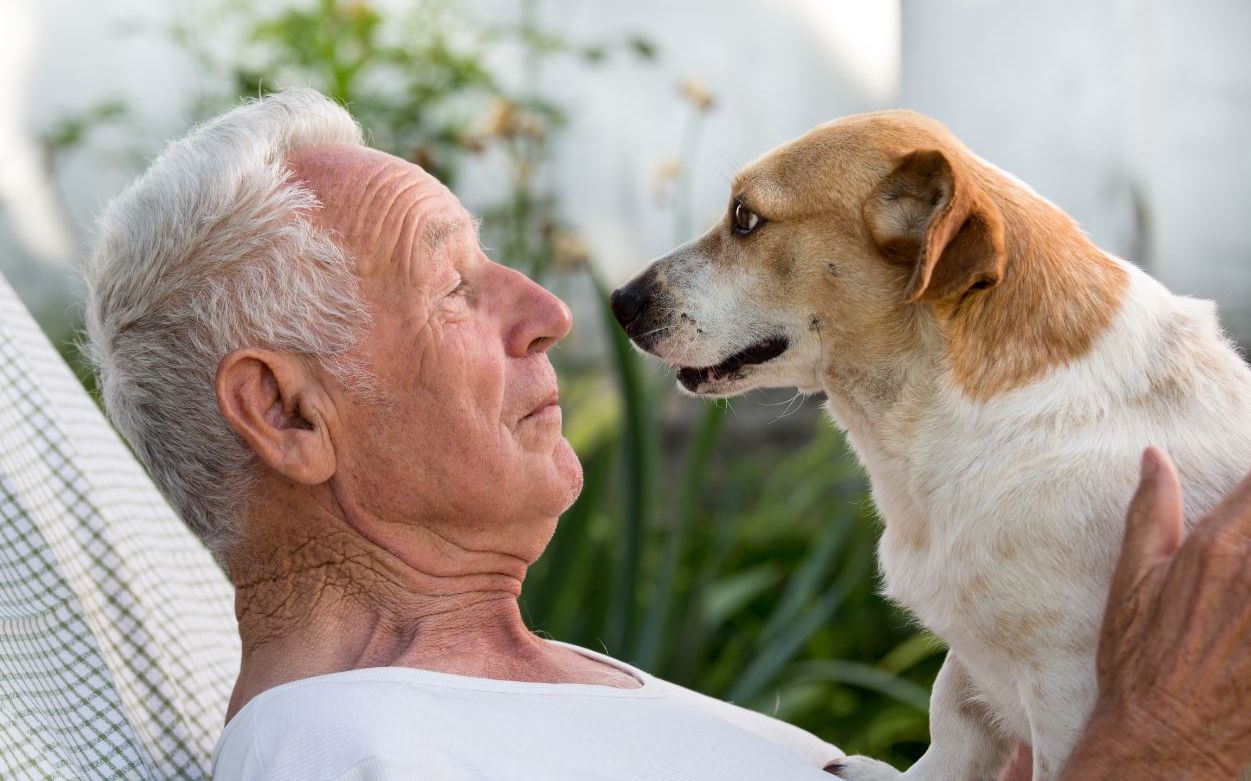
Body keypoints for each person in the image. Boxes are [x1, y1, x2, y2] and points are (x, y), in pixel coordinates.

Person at [82, 89, 1251, 780]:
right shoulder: (349, 747)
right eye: (454, 289)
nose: (546, 313)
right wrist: (1152, 750)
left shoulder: (517, 700)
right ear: (286, 412)